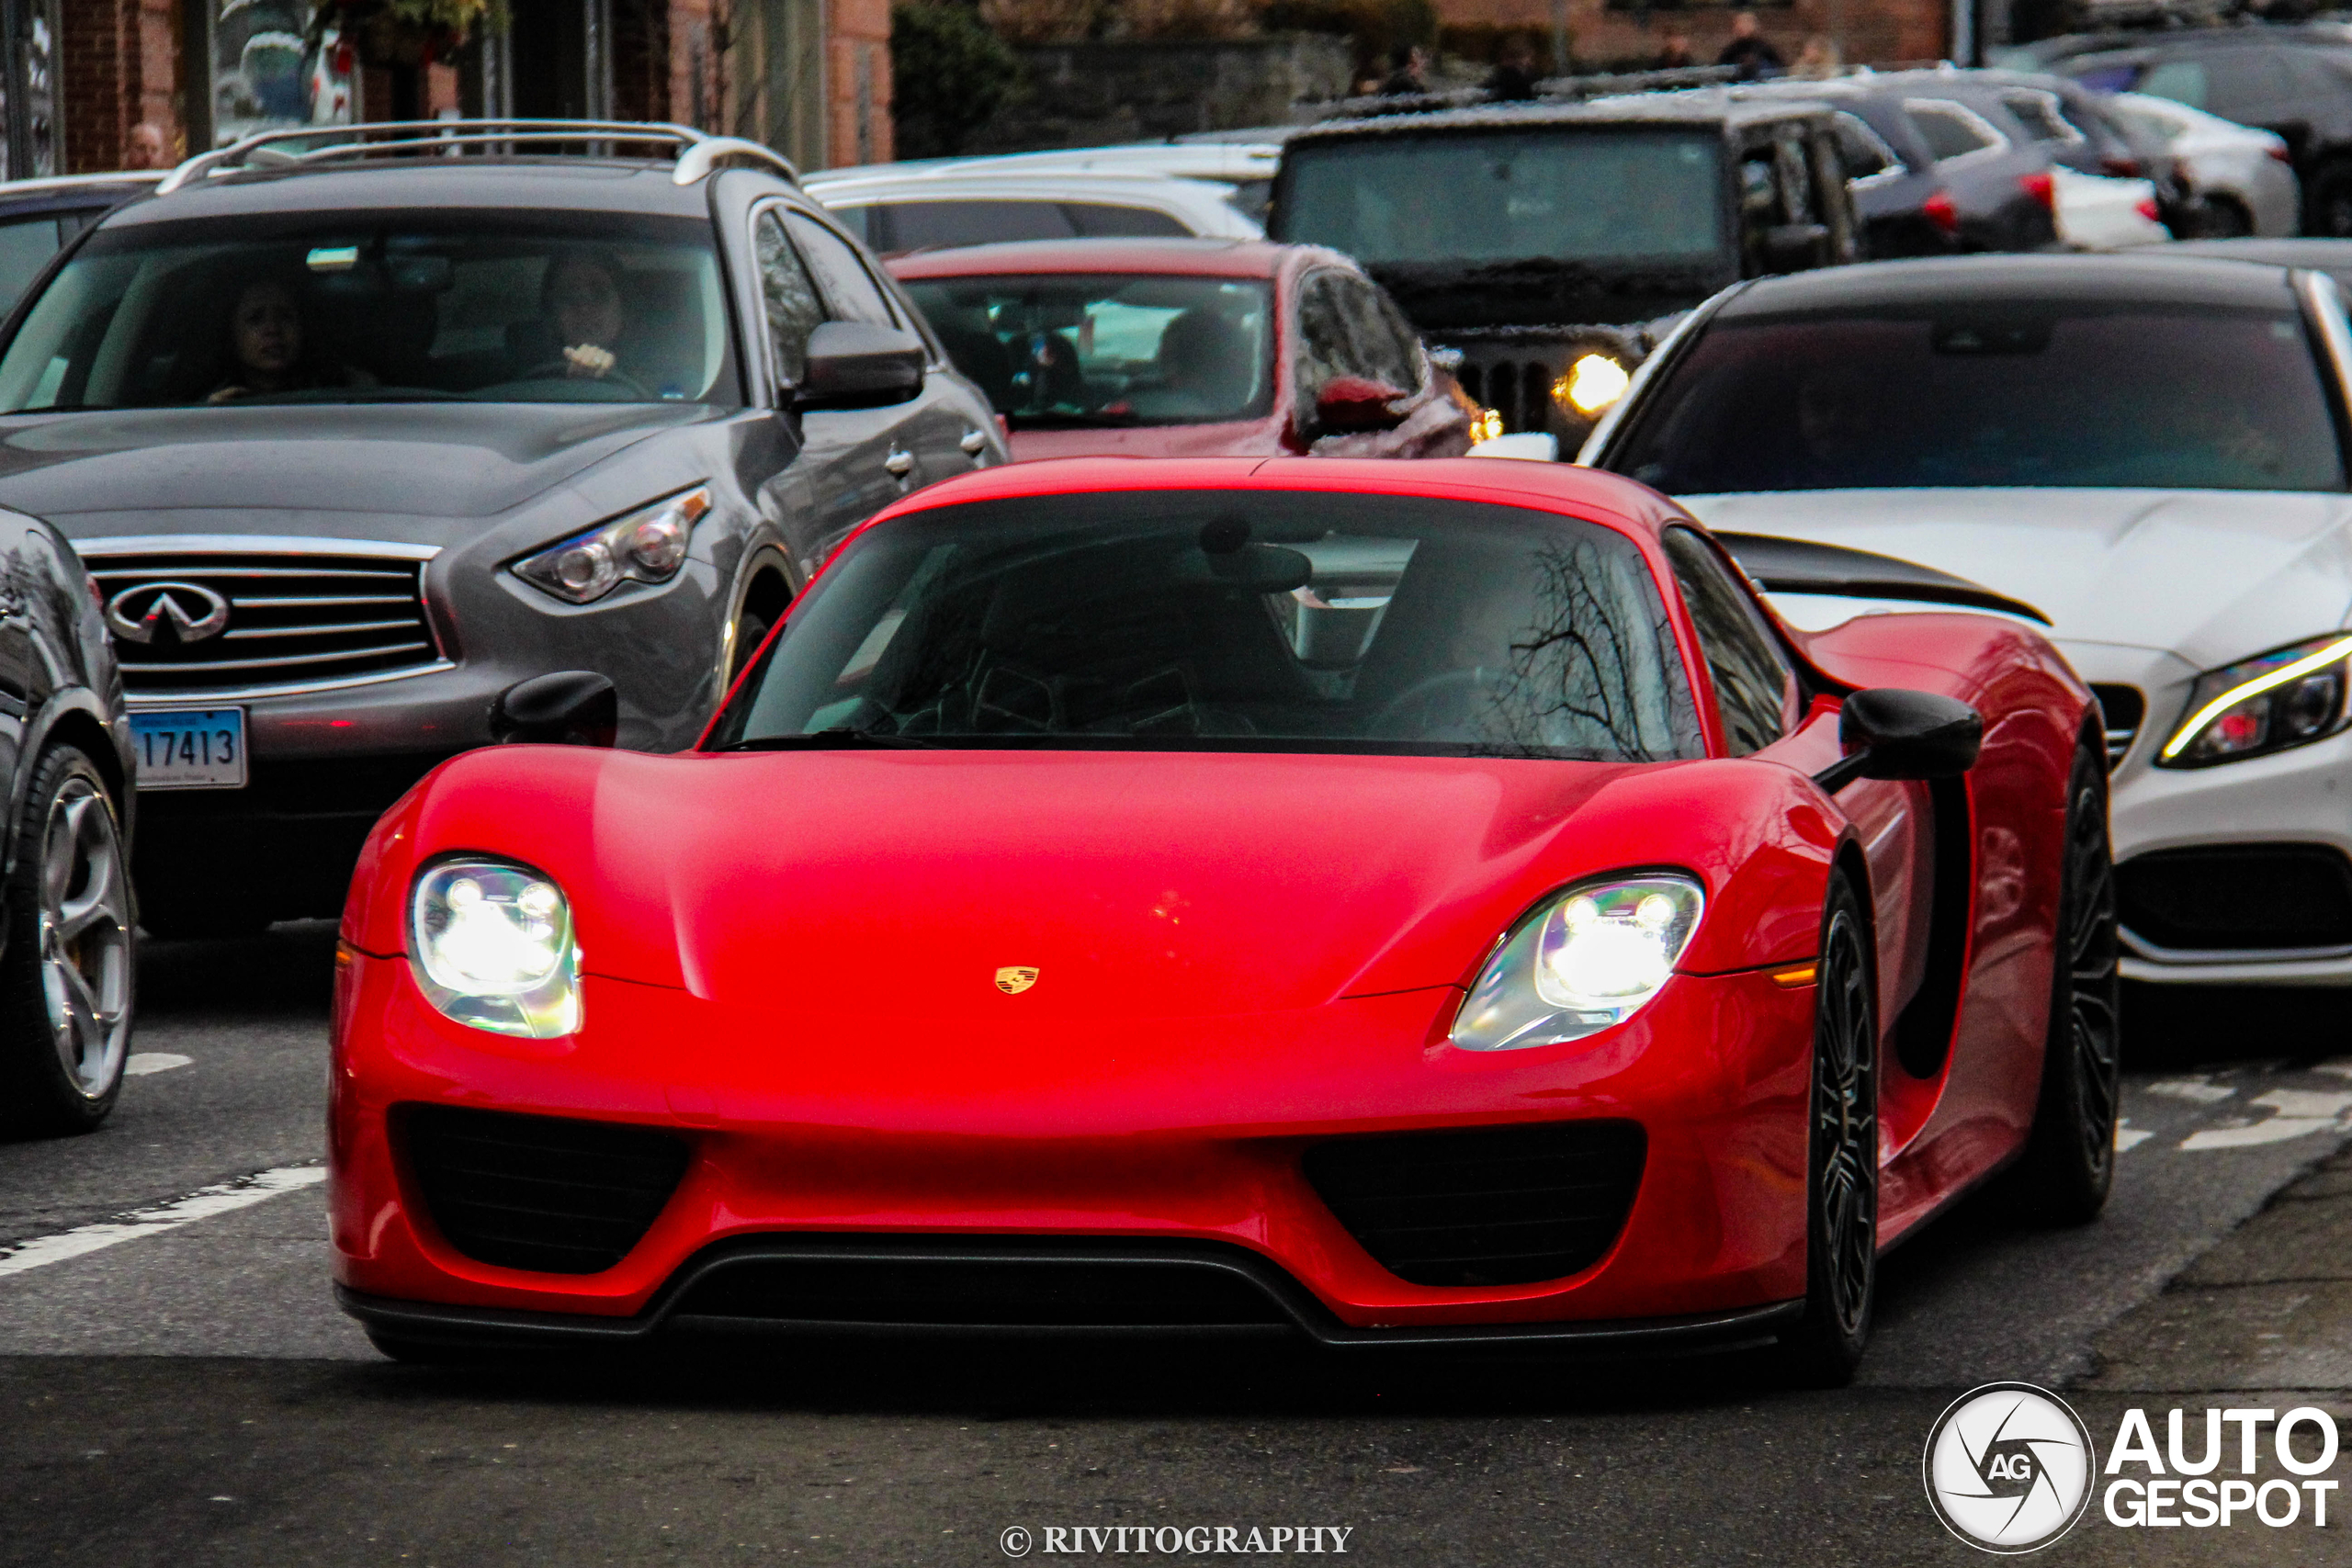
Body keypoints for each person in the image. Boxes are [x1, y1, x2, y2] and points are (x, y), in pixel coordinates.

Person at [207, 278, 339, 401]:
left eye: (285, 317)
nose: (273, 329)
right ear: (233, 332)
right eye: (255, 319)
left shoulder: (341, 394)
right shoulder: (210, 405)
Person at [543, 252, 630, 380]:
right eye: (569, 296)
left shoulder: (658, 372)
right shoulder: (520, 383)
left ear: (622, 307)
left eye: (599, 294)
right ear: (552, 313)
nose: (584, 308)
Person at [1716, 10, 1784, 80]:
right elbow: (1720, 71)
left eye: (1747, 23)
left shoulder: (1765, 48)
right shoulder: (1731, 50)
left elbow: (1780, 69)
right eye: (1739, 23)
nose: (1742, 27)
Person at [1485, 34, 1542, 101]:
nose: (1515, 63)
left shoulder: (1537, 82)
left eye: (1518, 55)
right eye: (1511, 56)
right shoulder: (1496, 80)